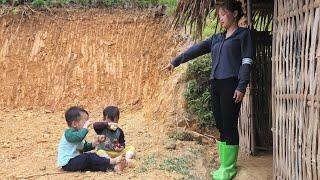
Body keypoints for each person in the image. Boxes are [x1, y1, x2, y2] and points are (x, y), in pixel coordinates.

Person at [164, 0, 253, 179]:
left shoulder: (243, 35)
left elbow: (247, 61)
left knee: (229, 124)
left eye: (223, 14)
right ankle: (224, 164)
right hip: (216, 84)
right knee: (220, 124)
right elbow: (196, 50)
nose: (220, 18)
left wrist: (242, 85)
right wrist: (176, 61)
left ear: (234, 14)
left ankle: (229, 167)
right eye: (218, 15)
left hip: (231, 83)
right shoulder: (217, 38)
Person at [57, 106, 127, 172]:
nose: (88, 124)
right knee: (89, 157)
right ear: (75, 124)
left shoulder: (77, 134)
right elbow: (79, 137)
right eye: (85, 122)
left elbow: (84, 147)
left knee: (93, 161)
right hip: (68, 163)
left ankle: (114, 167)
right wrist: (85, 127)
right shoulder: (68, 133)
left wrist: (95, 142)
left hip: (75, 161)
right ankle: (112, 161)